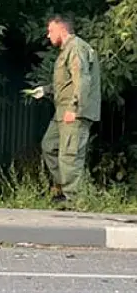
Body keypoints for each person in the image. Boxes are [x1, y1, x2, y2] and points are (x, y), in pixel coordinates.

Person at [26, 16, 101, 205]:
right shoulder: (66, 50)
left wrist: (75, 108)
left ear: (62, 29)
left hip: (73, 112)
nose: (48, 34)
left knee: (69, 155)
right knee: (49, 146)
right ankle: (62, 188)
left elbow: (82, 80)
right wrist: (45, 90)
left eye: (51, 30)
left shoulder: (75, 48)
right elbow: (67, 82)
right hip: (61, 112)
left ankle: (73, 200)